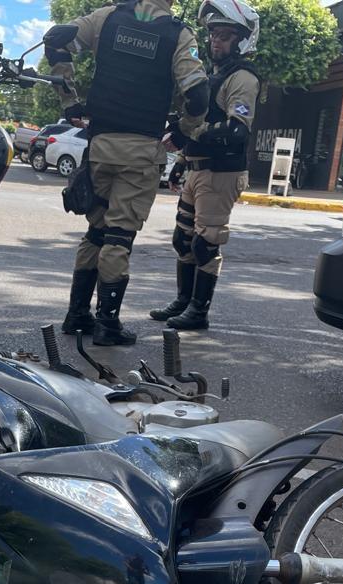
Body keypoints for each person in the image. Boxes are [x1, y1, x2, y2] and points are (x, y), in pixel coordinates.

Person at [44, 0, 210, 346]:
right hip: (141, 151)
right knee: (119, 236)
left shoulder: (106, 18)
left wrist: (69, 102)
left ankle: (76, 315)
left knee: (96, 230)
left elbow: (56, 38)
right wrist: (182, 132)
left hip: (101, 144)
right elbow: (197, 95)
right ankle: (107, 324)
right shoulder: (179, 35)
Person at [149, 0, 260, 331]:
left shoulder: (242, 78)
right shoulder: (216, 75)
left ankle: (199, 311)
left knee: (205, 243)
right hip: (199, 169)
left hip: (221, 173)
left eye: (225, 35)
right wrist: (182, 161)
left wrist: (187, 132)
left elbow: (236, 131)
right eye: (213, 34)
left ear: (243, 40)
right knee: (182, 240)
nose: (216, 42)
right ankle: (184, 301)